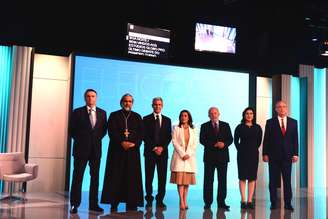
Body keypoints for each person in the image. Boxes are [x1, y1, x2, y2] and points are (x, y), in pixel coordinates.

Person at [101, 93, 144, 212]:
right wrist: (122, 142)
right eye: (125, 101)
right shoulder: (114, 115)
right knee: (116, 177)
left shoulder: (137, 116)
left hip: (132, 152)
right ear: (121, 102)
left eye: (130, 101)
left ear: (132, 103)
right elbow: (111, 131)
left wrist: (134, 143)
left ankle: (132, 202)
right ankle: (113, 203)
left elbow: (141, 133)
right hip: (117, 151)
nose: (127, 103)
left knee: (132, 178)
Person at [69, 89, 107, 214]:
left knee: (95, 178)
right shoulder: (77, 112)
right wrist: (84, 141)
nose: (91, 98)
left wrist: (94, 141)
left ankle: (94, 204)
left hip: (96, 150)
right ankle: (75, 204)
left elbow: (103, 131)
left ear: (96, 98)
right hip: (81, 150)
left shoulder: (102, 113)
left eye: (93, 96)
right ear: (85, 98)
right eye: (88, 96)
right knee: (77, 178)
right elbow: (72, 131)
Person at [263, 100, 299, 211]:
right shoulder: (270, 122)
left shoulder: (293, 122)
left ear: (287, 108)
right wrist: (265, 153)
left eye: (284, 106)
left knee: (287, 181)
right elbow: (266, 139)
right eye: (279, 107)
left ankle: (288, 203)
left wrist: (296, 154)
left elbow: (295, 139)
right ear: (276, 109)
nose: (282, 109)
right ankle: (273, 202)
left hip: (288, 156)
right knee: (273, 181)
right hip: (273, 156)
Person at [200, 107, 233, 210]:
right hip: (209, 157)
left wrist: (224, 144)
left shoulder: (225, 125)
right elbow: (202, 140)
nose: (213, 115)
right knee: (208, 181)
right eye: (211, 113)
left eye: (215, 113)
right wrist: (214, 144)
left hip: (223, 157)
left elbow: (230, 139)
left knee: (222, 180)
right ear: (209, 115)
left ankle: (221, 202)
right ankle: (208, 202)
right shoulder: (204, 126)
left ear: (219, 114)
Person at [143, 97, 172, 209]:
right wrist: (155, 147)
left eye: (159, 104)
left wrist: (162, 148)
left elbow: (168, 136)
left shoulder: (167, 120)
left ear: (162, 106)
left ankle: (160, 199)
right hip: (150, 152)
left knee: (162, 177)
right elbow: (144, 135)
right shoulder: (145, 119)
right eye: (155, 104)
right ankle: (149, 198)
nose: (157, 106)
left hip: (163, 153)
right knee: (149, 177)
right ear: (152, 105)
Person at [234, 107, 262, 209]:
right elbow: (236, 141)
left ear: (253, 115)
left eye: (251, 113)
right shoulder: (239, 127)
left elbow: (259, 141)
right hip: (242, 155)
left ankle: (250, 201)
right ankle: (243, 200)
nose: (249, 115)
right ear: (244, 115)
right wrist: (241, 150)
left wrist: (252, 149)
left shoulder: (258, 127)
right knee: (242, 177)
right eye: (247, 113)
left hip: (253, 155)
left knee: (252, 178)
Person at [170, 110, 197, 210]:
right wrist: (182, 154)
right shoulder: (176, 128)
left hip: (189, 158)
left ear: (189, 117)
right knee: (180, 181)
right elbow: (174, 142)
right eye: (182, 116)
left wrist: (188, 154)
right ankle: (181, 201)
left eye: (185, 116)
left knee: (186, 182)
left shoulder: (193, 129)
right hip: (179, 157)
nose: (183, 117)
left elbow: (195, 143)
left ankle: (185, 200)